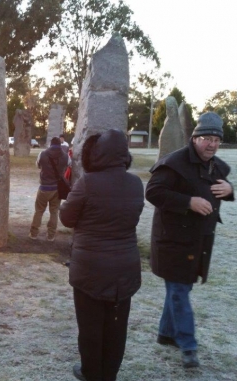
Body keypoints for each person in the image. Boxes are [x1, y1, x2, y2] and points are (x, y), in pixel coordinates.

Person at [145, 112, 234, 369]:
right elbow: (153, 192)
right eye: (206, 138)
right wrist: (188, 202)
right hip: (172, 240)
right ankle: (188, 344)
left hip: (199, 241)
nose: (212, 144)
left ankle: (166, 333)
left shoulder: (215, 165)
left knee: (179, 289)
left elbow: (219, 188)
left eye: (216, 139)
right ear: (194, 138)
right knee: (179, 290)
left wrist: (229, 191)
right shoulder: (174, 163)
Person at [60, 128, 144, 381]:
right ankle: (109, 374)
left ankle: (90, 373)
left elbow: (67, 218)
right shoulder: (135, 183)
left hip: (91, 268)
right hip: (125, 266)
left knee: (90, 327)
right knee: (117, 326)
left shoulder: (88, 182)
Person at [29, 136, 68, 241]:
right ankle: (51, 235)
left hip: (44, 187)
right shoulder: (65, 156)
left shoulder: (43, 154)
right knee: (54, 212)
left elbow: (38, 165)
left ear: (50, 144)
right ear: (60, 144)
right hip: (57, 188)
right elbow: (68, 166)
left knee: (39, 211)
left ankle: (34, 234)